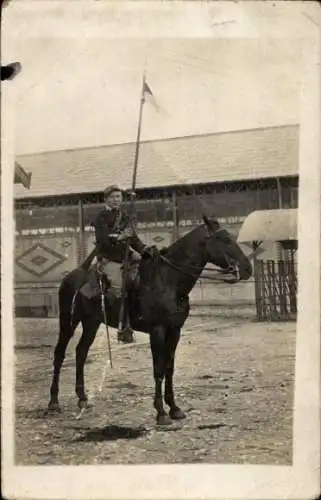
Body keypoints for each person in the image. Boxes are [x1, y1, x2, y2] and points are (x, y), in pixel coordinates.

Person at [92, 184, 156, 343]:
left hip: (127, 256)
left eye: (118, 197)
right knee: (119, 289)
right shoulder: (100, 217)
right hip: (109, 258)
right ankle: (123, 326)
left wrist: (144, 249)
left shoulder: (125, 216)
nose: (116, 200)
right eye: (112, 197)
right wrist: (120, 237)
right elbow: (102, 241)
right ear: (106, 199)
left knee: (147, 274)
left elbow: (133, 239)